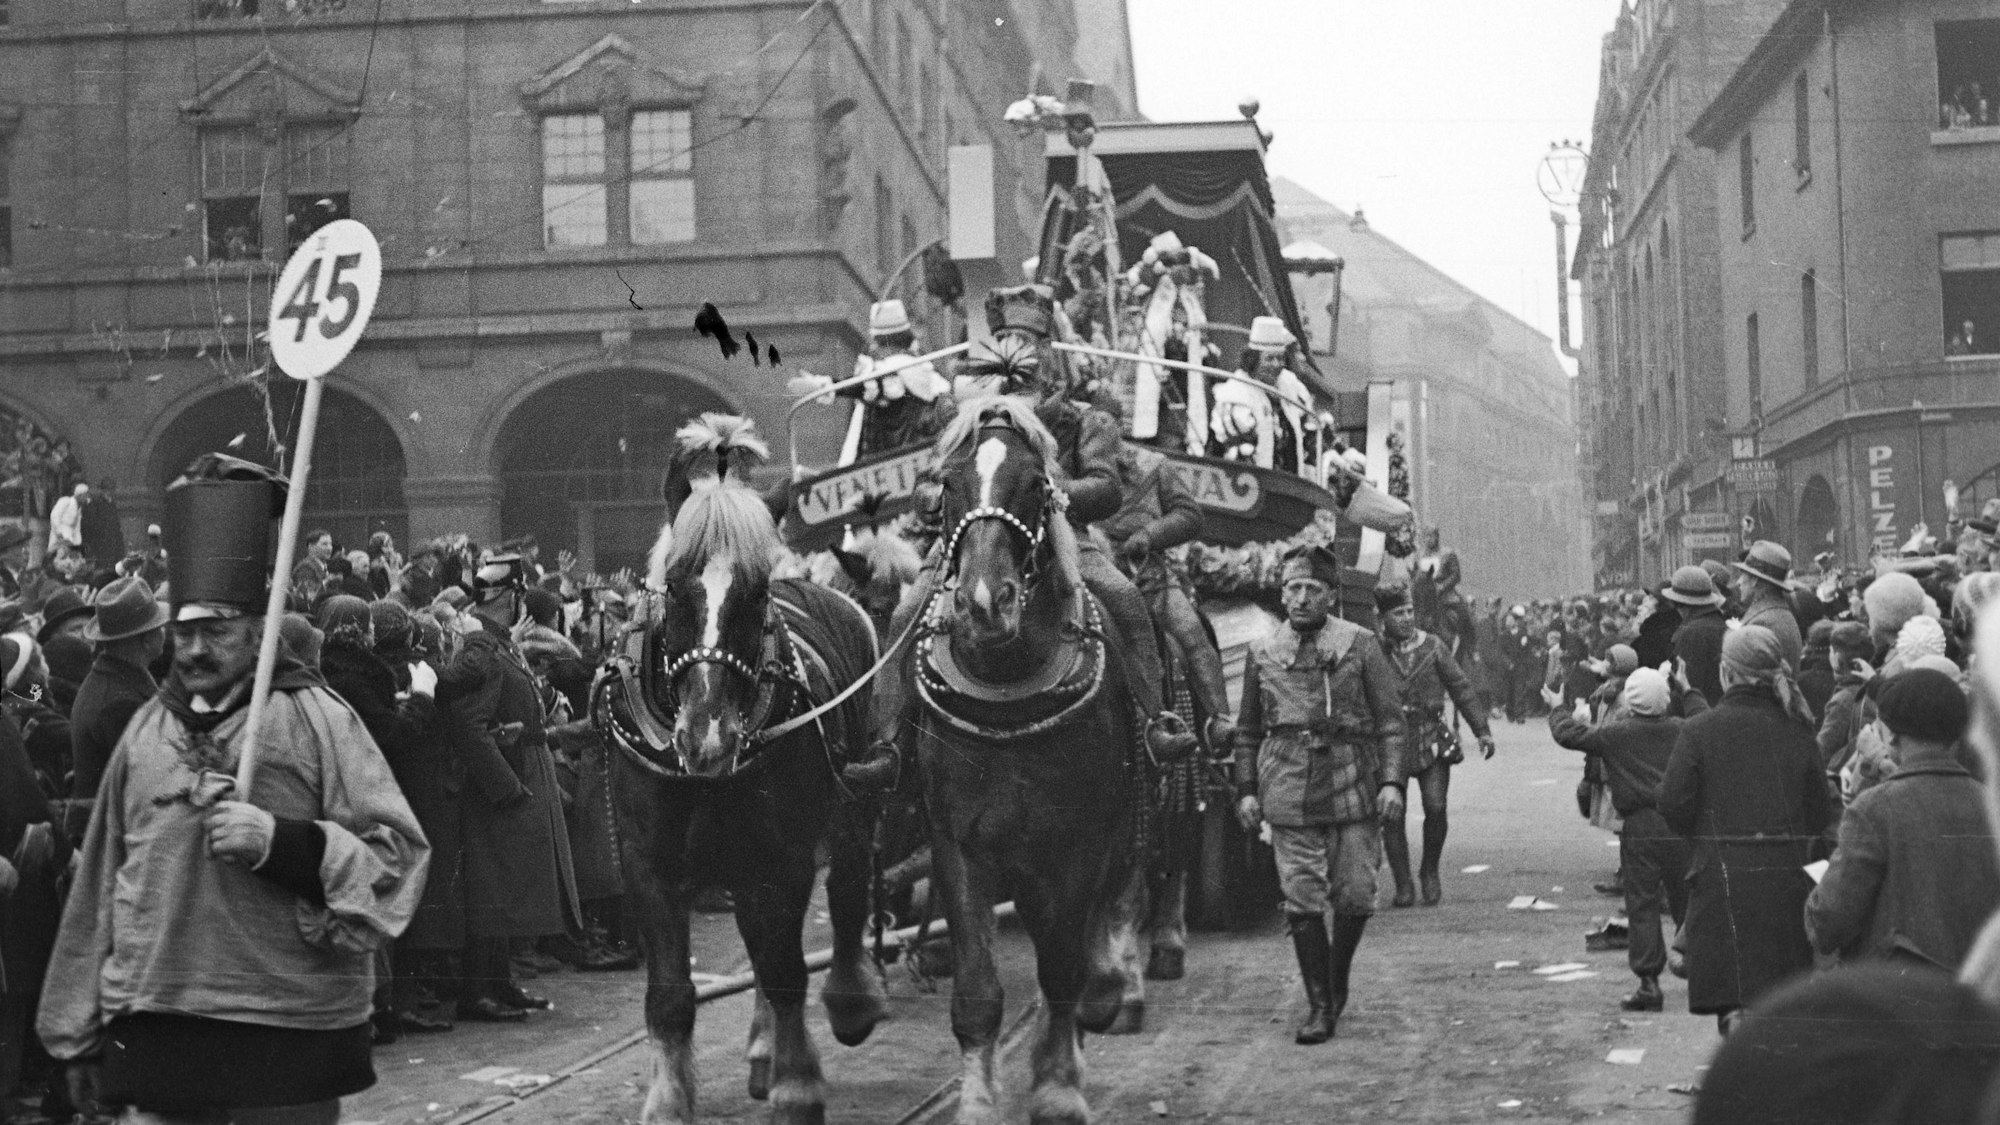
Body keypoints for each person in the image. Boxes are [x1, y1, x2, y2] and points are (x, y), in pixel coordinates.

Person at [39, 453, 428, 1123]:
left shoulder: (318, 718)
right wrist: (74, 1037)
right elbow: (100, 883)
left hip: (287, 1029)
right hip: (159, 1018)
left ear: (256, 630)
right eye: (183, 633)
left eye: (214, 630)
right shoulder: (145, 733)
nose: (193, 650)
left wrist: (283, 841)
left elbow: (396, 858)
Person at [1233, 546, 1403, 1044]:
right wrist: (1246, 790)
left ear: (1330, 594)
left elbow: (1392, 723)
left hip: (1352, 778)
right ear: (1281, 593)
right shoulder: (1262, 653)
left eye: (1311, 589)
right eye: (1292, 588)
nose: (1301, 598)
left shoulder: (1362, 645)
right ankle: (1321, 1005)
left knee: (1354, 892)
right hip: (1287, 784)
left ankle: (1337, 976)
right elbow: (1247, 731)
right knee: (1302, 896)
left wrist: (1392, 782)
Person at [1660, 625, 1831, 1034]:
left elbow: (1672, 803)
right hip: (1786, 877)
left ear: (1727, 673)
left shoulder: (1699, 730)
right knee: (1780, 998)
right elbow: (1819, 811)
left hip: (1720, 876)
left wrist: (1703, 835)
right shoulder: (1799, 728)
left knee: (1733, 998)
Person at [435, 553, 575, 1022]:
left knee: (506, 883)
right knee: (491, 886)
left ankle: (499, 981)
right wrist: (505, 785)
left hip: (518, 763)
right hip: (500, 780)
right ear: (512, 596)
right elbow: (469, 724)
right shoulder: (483, 649)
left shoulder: (497, 644)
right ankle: (479, 991)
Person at [1805, 669, 2000, 969]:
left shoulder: (1874, 809)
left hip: (1895, 996)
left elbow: (1828, 922)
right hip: (1976, 995)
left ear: (1891, 735)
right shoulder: (1989, 804)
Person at [1550, 666, 1705, 1012]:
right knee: (1687, 896)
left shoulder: (1617, 734)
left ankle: (1649, 985)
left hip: (1639, 826)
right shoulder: (1684, 730)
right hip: (1681, 823)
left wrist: (1557, 706)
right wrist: (1688, 687)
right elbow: (1705, 717)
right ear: (1665, 700)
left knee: (1643, 902)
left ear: (1631, 701)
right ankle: (1697, 965)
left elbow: (1569, 734)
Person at [1100, 442, 1235, 748]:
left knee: (1192, 633)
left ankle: (1219, 721)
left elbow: (1189, 515)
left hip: (1148, 575)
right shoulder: (1060, 461)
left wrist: (1150, 534)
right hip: (1090, 569)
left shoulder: (1152, 464)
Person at [1375, 587, 1493, 907]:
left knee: (1436, 805)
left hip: (1431, 734)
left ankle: (1429, 871)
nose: (1406, 618)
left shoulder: (1433, 646)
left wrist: (1481, 730)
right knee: (1392, 815)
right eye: (1398, 613)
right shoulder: (1374, 651)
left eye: (1410, 611)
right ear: (1383, 618)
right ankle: (1403, 883)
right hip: (1390, 740)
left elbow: (1460, 688)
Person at [66, 577, 168, 837]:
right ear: (146, 640)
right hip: (116, 835)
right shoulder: (119, 703)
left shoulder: (112, 681)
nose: (165, 633)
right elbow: (148, 784)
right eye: (159, 627)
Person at [1210, 316, 1317, 473]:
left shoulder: (1289, 383)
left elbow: (1307, 429)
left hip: (1291, 482)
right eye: (1270, 359)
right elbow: (1235, 457)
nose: (1276, 365)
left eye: (1280, 358)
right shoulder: (1236, 394)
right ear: (1253, 360)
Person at [1734, 541, 1803, 674]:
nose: (1739, 582)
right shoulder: (1778, 613)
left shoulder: (1762, 622)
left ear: (1754, 580)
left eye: (1743, 575)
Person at [1664, 565, 1729, 706]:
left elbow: (1685, 687)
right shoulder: (1721, 624)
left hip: (1696, 714)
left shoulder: (1691, 633)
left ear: (1680, 604)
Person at [80, 479, 123, 575]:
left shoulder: (112, 505)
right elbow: (88, 526)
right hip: (99, 546)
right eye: (107, 490)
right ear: (102, 490)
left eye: (111, 490)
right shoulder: (94, 505)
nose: (109, 492)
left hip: (111, 546)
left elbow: (117, 528)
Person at [290, 529, 334, 606]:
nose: (329, 548)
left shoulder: (325, 567)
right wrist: (327, 581)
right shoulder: (305, 567)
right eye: (324, 544)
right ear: (311, 547)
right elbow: (307, 597)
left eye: (330, 544)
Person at [45, 484, 86, 557]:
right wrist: (59, 532)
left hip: (70, 539)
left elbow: (77, 527)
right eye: (84, 495)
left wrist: (77, 542)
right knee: (56, 556)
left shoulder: (79, 509)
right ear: (79, 495)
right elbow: (55, 515)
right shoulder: (66, 501)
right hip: (59, 535)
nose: (85, 498)